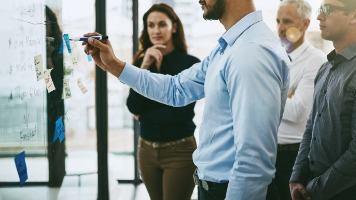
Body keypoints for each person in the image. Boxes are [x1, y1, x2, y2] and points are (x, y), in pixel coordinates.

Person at [83, 0, 290, 199]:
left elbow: (254, 162)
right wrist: (114, 65)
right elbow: (176, 89)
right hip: (213, 187)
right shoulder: (230, 46)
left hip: (228, 190)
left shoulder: (251, 52)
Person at [289, 0, 356, 199]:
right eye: (320, 9)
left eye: (327, 10)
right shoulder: (325, 68)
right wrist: (296, 178)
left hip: (341, 193)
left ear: (355, 16)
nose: (319, 16)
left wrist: (312, 190)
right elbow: (311, 126)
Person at [125, 3, 200, 200]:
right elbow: (133, 106)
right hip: (146, 151)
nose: (156, 30)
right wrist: (145, 65)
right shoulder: (142, 62)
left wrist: (144, 115)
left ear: (173, 27)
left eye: (161, 24)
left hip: (180, 151)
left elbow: (180, 114)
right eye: (150, 25)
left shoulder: (190, 64)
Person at [267, 1, 326, 200]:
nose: (281, 28)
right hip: (266, 153)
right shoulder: (273, 56)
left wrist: (266, 94)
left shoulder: (316, 60)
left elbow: (297, 112)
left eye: (287, 21)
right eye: (278, 21)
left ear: (305, 24)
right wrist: (286, 94)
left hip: (292, 158)